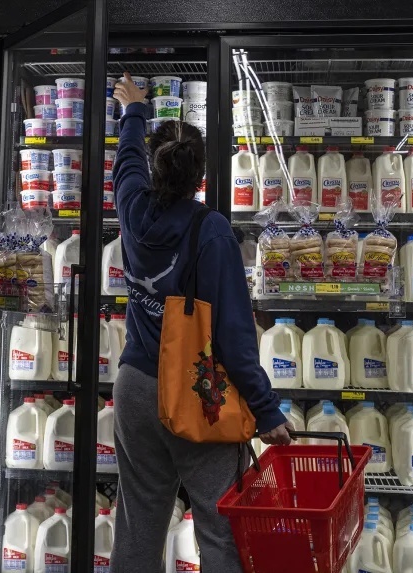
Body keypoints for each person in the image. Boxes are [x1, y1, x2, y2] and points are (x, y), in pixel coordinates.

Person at [111, 72, 292, 572]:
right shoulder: (210, 231)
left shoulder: (131, 208)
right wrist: (267, 411)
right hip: (194, 390)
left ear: (154, 169)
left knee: (139, 520)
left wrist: (134, 110)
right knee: (219, 523)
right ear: (202, 177)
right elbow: (233, 338)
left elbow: (125, 163)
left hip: (133, 387)